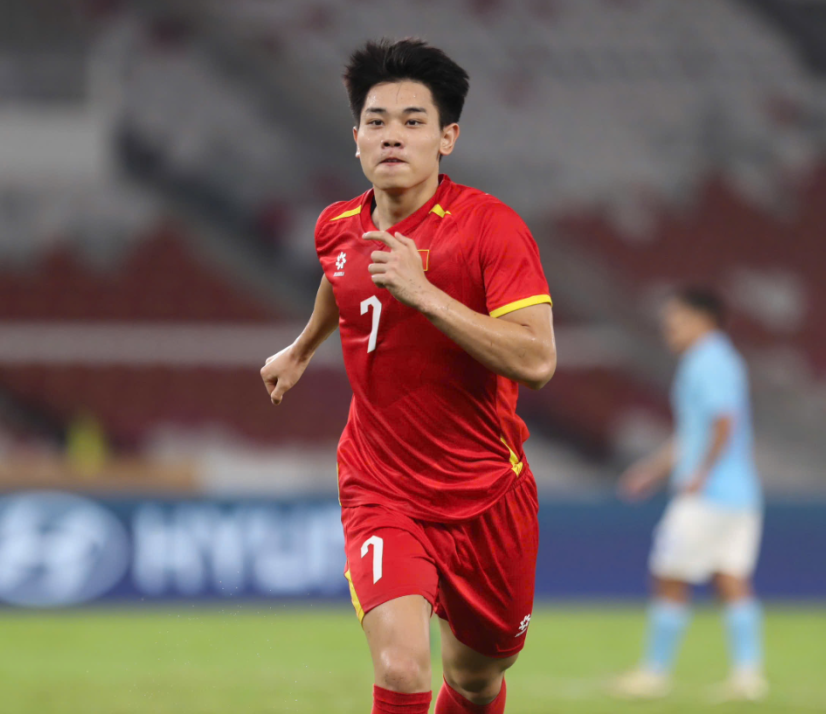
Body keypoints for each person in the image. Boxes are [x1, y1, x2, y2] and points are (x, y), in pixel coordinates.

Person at [260, 38, 556, 714]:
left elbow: (537, 361)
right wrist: (302, 348)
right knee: (400, 669)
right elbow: (341, 280)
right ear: (356, 138)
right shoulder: (337, 226)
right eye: (377, 121)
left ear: (447, 138)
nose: (392, 135)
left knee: (476, 680)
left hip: (487, 495)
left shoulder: (492, 230)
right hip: (381, 485)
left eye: (413, 121)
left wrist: (424, 295)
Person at [614, 287, 767, 702]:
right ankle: (748, 676)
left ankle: (654, 672)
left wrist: (701, 473)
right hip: (741, 493)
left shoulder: (706, 361)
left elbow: (723, 421)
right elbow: (694, 434)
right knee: (731, 578)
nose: (670, 329)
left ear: (703, 320)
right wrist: (652, 471)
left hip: (708, 495)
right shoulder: (725, 359)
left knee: (668, 576)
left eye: (677, 320)